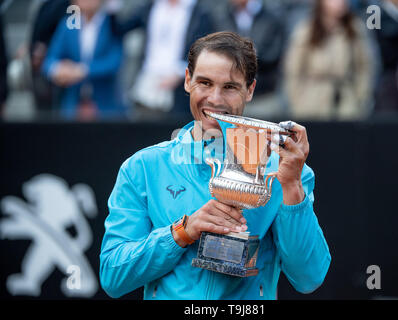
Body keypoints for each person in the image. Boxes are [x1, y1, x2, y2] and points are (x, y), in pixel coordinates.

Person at [99, 31, 331, 299]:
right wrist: (182, 232)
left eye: (230, 87)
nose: (215, 99)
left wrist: (291, 185)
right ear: (187, 81)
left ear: (251, 89)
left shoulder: (284, 172)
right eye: (205, 83)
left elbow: (308, 278)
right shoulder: (143, 167)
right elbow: (113, 276)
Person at [111, 0, 214, 118]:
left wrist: (181, 71)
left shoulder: (200, 10)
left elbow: (205, 46)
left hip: (181, 85)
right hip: (148, 82)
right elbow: (120, 27)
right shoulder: (151, 6)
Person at [283, 0, 373, 120]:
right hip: (312, 103)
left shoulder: (354, 29)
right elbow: (293, 69)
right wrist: (297, 102)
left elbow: (364, 67)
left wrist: (361, 98)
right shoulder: (307, 30)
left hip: (346, 102)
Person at [42, 0, 126, 120]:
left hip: (106, 107)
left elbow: (114, 61)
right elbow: (49, 60)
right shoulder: (68, 24)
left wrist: (82, 70)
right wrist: (58, 69)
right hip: (72, 105)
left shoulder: (112, 24)